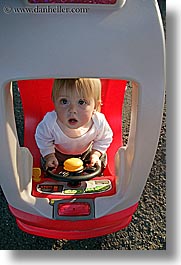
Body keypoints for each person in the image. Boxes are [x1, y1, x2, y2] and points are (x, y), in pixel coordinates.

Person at [35, 78, 113, 170]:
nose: (72, 110)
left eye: (81, 102)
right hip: (58, 155)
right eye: (64, 101)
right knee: (45, 162)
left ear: (95, 106)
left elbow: (105, 138)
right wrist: (49, 155)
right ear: (54, 102)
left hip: (87, 153)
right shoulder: (50, 122)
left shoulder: (98, 121)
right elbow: (42, 138)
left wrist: (96, 153)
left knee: (101, 159)